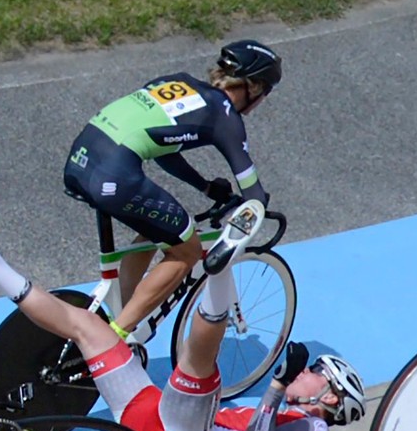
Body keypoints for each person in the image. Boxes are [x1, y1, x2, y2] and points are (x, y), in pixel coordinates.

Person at [0, 193, 366, 431]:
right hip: (151, 423)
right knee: (86, 325)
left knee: (200, 364)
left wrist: (277, 386)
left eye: (317, 371)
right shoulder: (296, 423)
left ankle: (220, 267)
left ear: (329, 396)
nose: (307, 371)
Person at [62, 39, 283, 346]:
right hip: (115, 174)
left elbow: (164, 151)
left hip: (82, 158)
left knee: (155, 232)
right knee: (187, 250)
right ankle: (113, 342)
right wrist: (259, 205)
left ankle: (127, 313)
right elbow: (253, 193)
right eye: (266, 93)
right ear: (255, 87)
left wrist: (205, 186)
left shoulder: (176, 81)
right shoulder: (224, 115)